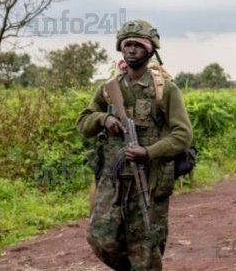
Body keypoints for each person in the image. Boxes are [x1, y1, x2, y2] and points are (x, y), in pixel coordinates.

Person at [76, 19, 193, 271]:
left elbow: (183, 134)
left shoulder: (165, 90)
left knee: (146, 248)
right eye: (126, 45)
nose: (131, 50)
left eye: (137, 45)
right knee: (100, 238)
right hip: (113, 180)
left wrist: (148, 152)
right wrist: (104, 118)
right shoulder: (109, 89)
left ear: (150, 50)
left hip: (150, 181)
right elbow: (83, 123)